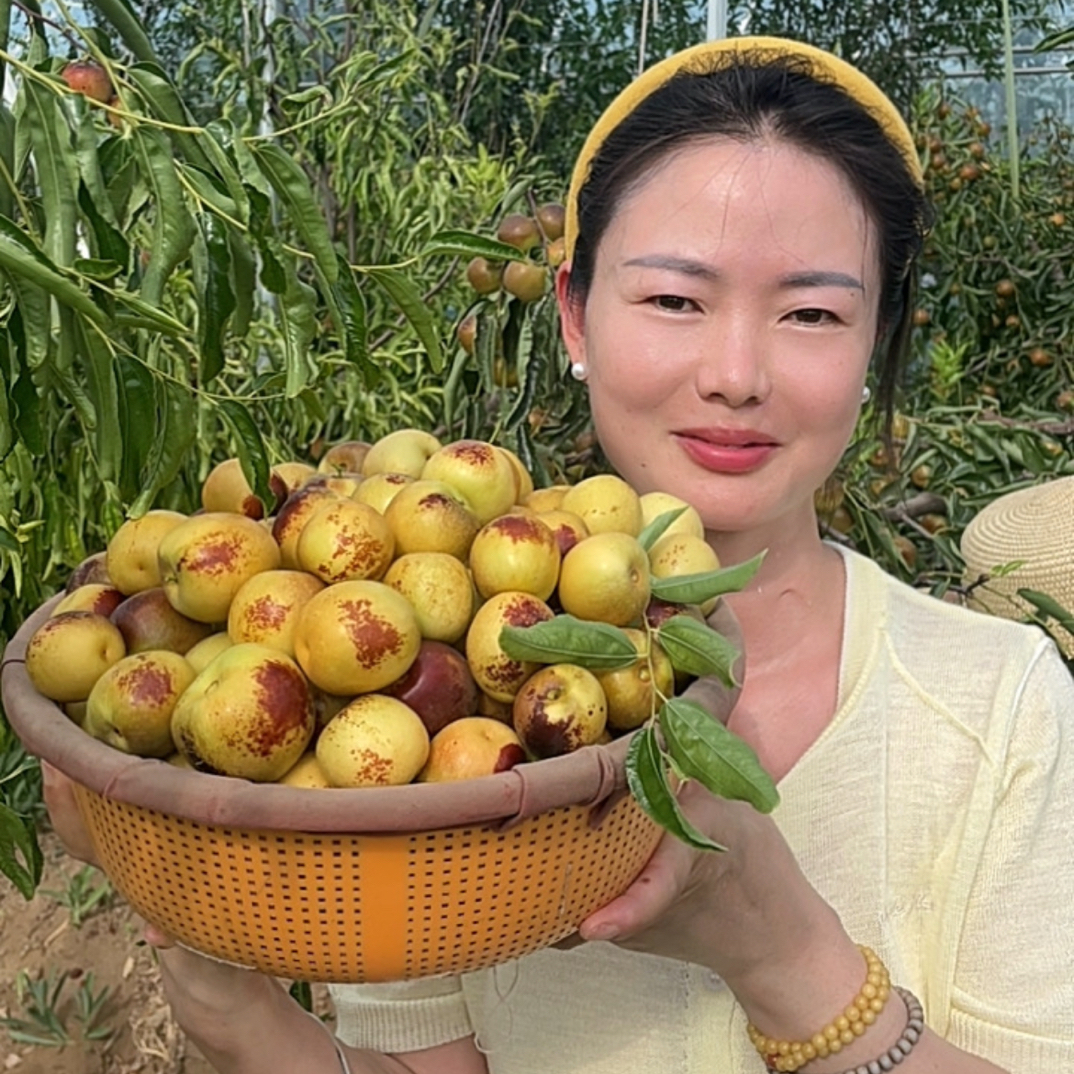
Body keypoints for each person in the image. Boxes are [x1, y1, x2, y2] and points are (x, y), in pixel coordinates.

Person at [44, 34, 1074, 1074]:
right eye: (675, 298)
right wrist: (229, 997)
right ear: (574, 316)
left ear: (877, 343)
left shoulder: (1002, 709)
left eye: (811, 312)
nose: (735, 372)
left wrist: (782, 953)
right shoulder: (430, 704)